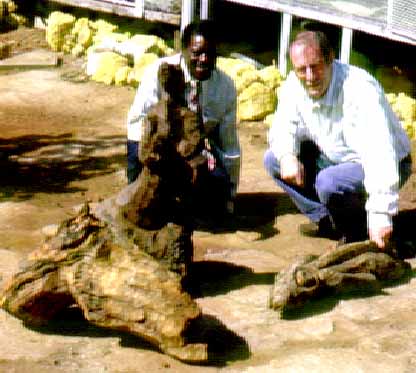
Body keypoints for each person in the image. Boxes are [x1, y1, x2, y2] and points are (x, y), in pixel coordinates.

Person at [264, 29, 412, 249]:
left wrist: (381, 214)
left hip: (387, 162)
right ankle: (329, 222)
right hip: (335, 157)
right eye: (301, 70)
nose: (310, 77)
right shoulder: (294, 84)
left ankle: (360, 233)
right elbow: (283, 126)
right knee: (273, 159)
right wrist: (287, 155)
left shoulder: (360, 90)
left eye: (315, 66)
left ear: (331, 58)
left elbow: (380, 155)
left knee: (328, 182)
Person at [126, 20, 240, 220]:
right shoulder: (158, 73)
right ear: (184, 50)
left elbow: (228, 144)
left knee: (213, 204)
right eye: (197, 53)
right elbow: (138, 125)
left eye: (210, 54)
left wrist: (229, 196)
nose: (203, 60)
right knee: (146, 205)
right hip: (157, 149)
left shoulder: (225, 86)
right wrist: (143, 164)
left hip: (192, 152)